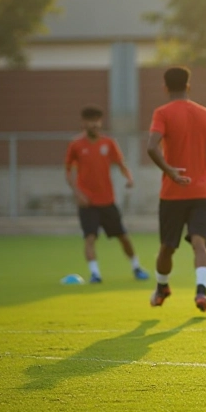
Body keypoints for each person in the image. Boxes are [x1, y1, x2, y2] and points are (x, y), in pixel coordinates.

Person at [146, 67, 206, 312]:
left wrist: (170, 171)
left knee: (167, 247)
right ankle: (201, 292)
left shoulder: (162, 113)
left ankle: (162, 287)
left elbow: (151, 147)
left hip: (173, 193)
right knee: (200, 244)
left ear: (165, 88)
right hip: (202, 192)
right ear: (188, 86)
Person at [64, 105, 148, 283]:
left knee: (123, 237)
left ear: (100, 123)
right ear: (83, 123)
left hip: (107, 201)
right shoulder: (76, 145)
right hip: (87, 202)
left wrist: (129, 178)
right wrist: (77, 193)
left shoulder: (108, 143)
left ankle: (136, 267)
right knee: (90, 238)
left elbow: (120, 163)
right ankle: (95, 274)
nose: (93, 125)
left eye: (96, 121)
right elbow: (68, 172)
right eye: (90, 121)